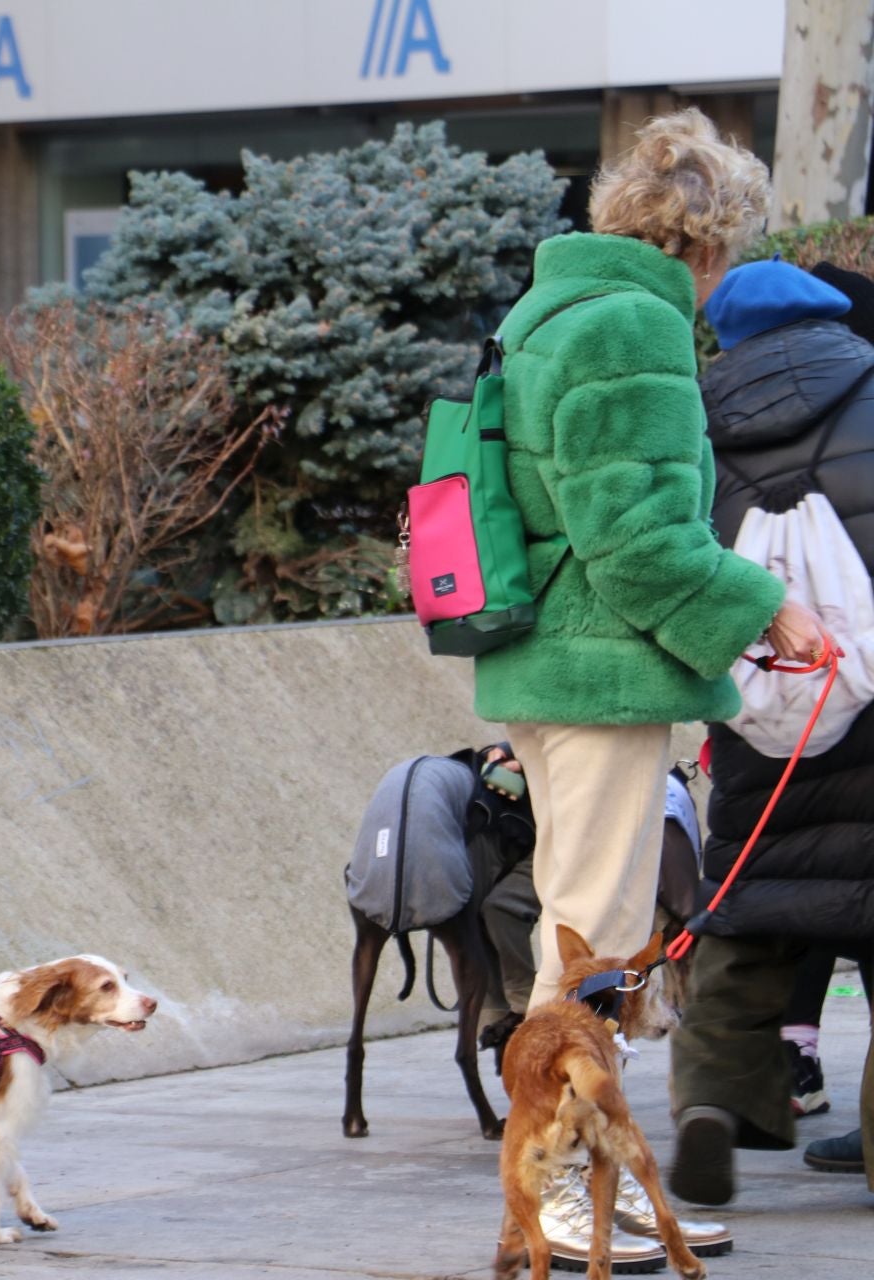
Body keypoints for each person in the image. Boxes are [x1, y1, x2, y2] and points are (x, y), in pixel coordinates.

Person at [475, 108, 824, 1263]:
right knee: (594, 953)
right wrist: (767, 605)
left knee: (576, 941)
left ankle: (597, 1179)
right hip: (602, 671)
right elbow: (635, 539)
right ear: (706, 239)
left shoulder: (559, 308)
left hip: (555, 660)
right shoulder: (636, 325)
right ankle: (559, 1192)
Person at [666, 255, 874, 1206]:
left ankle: (710, 1105)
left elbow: (681, 563)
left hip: (766, 722)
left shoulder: (698, 422)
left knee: (746, 924)